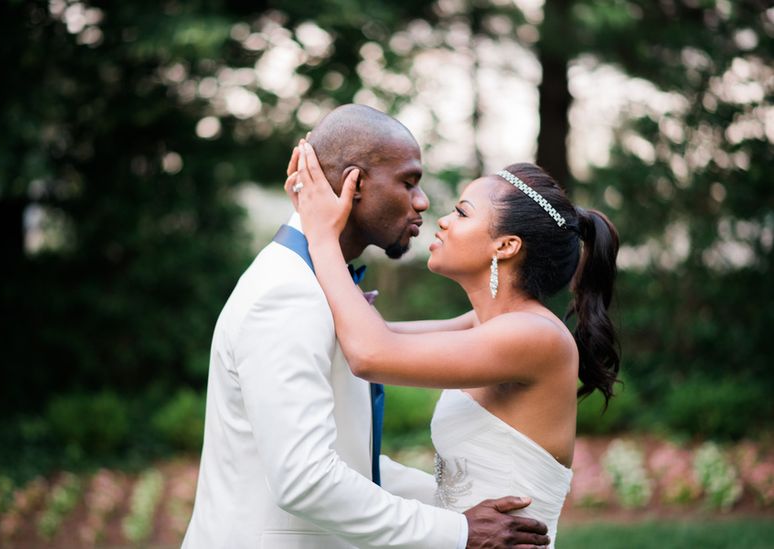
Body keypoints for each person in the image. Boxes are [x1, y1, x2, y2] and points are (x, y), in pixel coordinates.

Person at [182, 104, 551, 549]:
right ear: (354, 184)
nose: (422, 202)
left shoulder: (317, 284)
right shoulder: (287, 294)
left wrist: (456, 503)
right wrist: (459, 531)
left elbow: (350, 460)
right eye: (408, 182)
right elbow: (306, 479)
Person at [286, 140, 621, 548]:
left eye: (462, 212)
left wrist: (322, 235)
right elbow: (372, 335)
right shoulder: (485, 324)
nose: (442, 221)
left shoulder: (534, 336)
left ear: (506, 246)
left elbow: (372, 354)